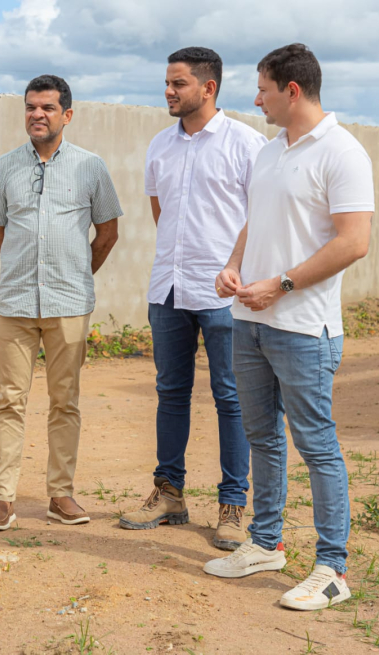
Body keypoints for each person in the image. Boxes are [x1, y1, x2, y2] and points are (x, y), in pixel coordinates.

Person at [205, 44, 374, 610]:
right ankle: (265, 543)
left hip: (304, 326)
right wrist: (233, 266)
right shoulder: (271, 150)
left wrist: (280, 284)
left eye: (263, 89)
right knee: (262, 437)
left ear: (292, 90)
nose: (256, 99)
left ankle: (332, 570)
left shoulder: (343, 152)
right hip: (249, 322)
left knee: (316, 445)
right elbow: (257, 221)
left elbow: (354, 242)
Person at [119, 48, 266, 550]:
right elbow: (163, 212)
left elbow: (259, 216)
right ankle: (169, 492)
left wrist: (233, 269)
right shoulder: (160, 145)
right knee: (170, 393)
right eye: (167, 82)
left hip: (226, 292)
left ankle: (232, 503)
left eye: (178, 83)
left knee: (232, 397)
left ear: (208, 88)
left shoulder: (247, 143)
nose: (168, 91)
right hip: (169, 289)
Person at [0, 75, 122, 531]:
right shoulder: (4, 168)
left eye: (46, 108)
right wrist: (31, 268)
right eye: (30, 107)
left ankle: (61, 494)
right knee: (10, 400)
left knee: (65, 401)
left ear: (67, 115)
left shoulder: (91, 167)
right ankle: (2, 498)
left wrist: (74, 272)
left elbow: (108, 232)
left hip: (69, 304)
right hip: (16, 303)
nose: (37, 115)